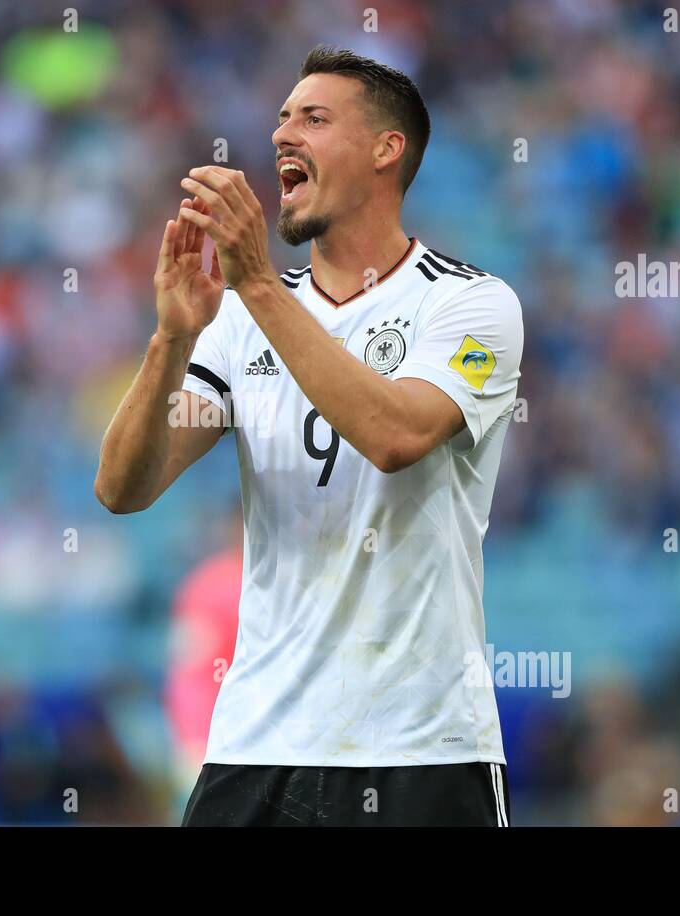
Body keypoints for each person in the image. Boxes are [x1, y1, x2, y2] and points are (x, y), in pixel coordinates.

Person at [95, 46, 522, 826]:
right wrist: (172, 338)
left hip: (420, 749)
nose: (283, 135)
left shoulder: (472, 307)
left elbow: (395, 435)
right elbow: (123, 487)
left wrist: (254, 283)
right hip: (259, 744)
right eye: (282, 118)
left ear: (387, 150)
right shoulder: (233, 324)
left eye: (314, 119)